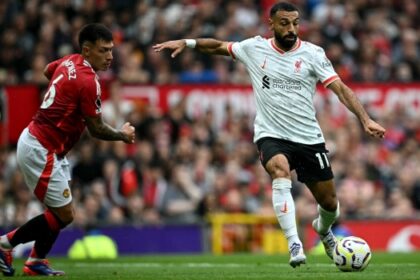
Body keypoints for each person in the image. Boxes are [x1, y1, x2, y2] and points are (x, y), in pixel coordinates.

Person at [153, 2, 386, 268]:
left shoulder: (313, 54)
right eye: (285, 23)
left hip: (308, 138)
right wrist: (188, 42)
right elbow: (219, 46)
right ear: (271, 24)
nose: (291, 29)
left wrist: (365, 119)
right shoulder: (255, 48)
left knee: (330, 204)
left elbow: (341, 89)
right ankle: (294, 243)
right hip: (271, 134)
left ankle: (323, 231)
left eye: (295, 23)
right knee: (279, 170)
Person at [0, 23, 135, 276]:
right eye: (104, 50)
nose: (110, 57)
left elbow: (46, 70)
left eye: (111, 50)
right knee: (65, 214)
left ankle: (35, 261)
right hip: (41, 148)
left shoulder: (71, 61)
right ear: (86, 50)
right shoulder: (88, 81)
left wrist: (64, 98)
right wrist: (122, 135)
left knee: (58, 212)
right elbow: (96, 129)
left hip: (48, 146)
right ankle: (4, 243)